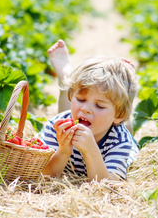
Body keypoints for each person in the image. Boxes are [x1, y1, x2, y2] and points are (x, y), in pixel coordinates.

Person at [42, 39, 140, 182]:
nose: (86, 109)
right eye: (81, 99)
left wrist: (91, 150)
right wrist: (63, 151)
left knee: (124, 121)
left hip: (116, 128)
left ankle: (124, 83)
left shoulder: (119, 140)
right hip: (85, 119)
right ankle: (66, 78)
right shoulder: (54, 127)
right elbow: (45, 175)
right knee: (67, 113)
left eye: (99, 106)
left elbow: (108, 184)